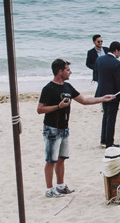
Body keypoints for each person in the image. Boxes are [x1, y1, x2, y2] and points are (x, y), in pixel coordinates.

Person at [38, 59, 114, 197]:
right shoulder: (48, 88)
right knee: (51, 160)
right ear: (60, 71)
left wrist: (103, 98)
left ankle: (60, 186)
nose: (70, 72)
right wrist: (58, 107)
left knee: (62, 158)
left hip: (64, 128)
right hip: (51, 128)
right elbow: (40, 109)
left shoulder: (68, 87)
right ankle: (49, 190)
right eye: (67, 70)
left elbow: (84, 100)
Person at [95, 41, 120, 148]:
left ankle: (103, 139)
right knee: (111, 118)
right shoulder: (117, 63)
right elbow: (119, 82)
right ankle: (109, 143)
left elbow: (96, 76)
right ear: (116, 50)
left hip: (102, 92)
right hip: (113, 94)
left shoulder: (99, 59)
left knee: (105, 115)